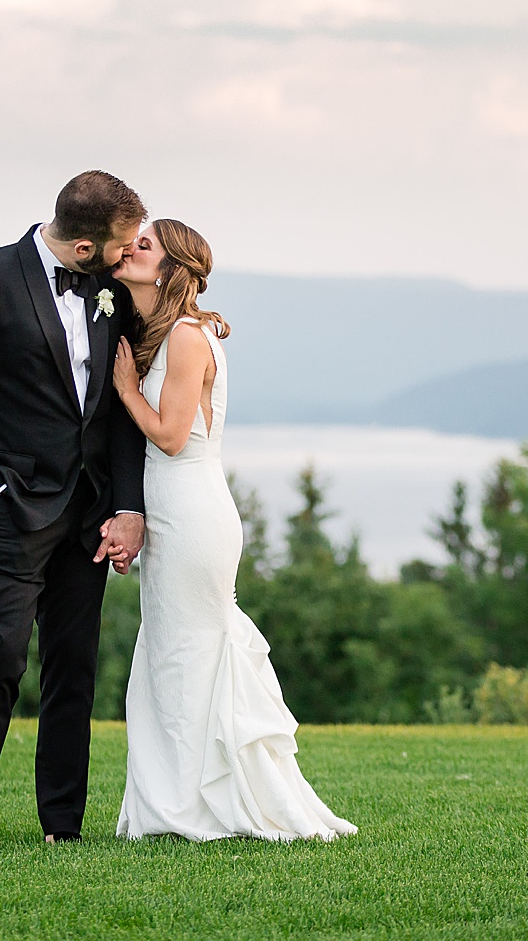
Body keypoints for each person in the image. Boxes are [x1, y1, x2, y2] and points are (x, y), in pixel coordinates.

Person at [0, 170, 150, 853]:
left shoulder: (111, 292)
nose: (128, 253)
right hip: (10, 509)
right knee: (0, 653)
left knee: (74, 665)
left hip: (87, 512)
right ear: (84, 247)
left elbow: (120, 412)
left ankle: (62, 824)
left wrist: (128, 505)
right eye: (121, 244)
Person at [109, 219, 357, 842]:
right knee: (172, 654)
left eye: (144, 246)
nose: (130, 249)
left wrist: (125, 390)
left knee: (193, 653)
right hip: (170, 510)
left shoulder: (189, 339)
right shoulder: (163, 336)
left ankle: (207, 804)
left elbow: (168, 435)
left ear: (169, 268)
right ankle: (177, 801)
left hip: (192, 511)